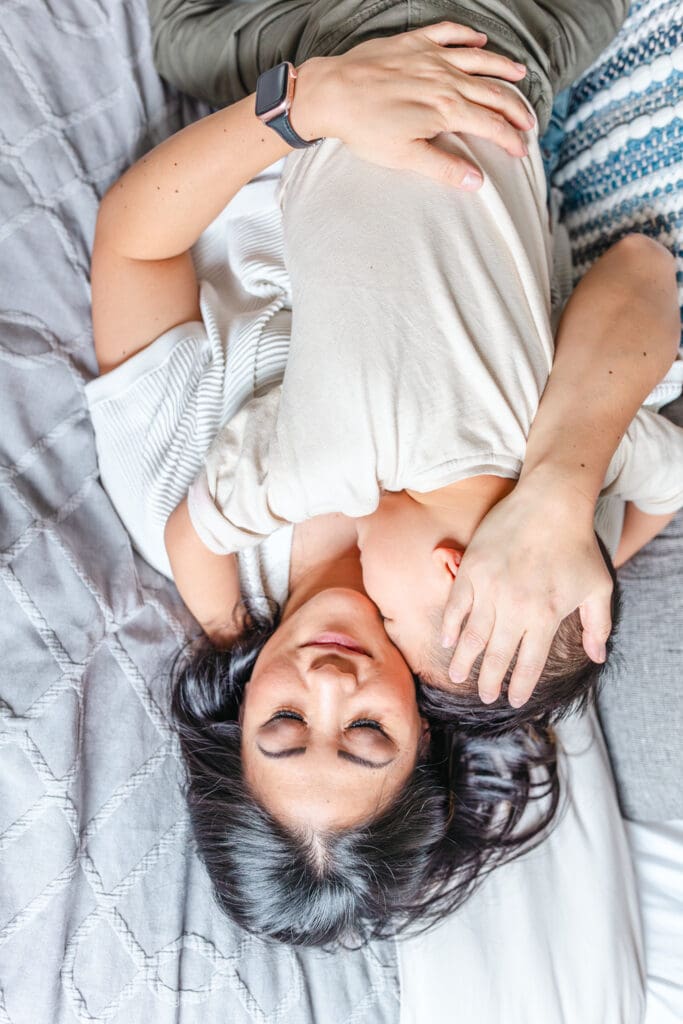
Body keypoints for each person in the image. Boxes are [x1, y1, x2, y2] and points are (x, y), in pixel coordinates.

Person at [87, 16, 680, 942]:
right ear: (424, 743)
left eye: (283, 723)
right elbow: (644, 278)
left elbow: (133, 246)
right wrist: (558, 487)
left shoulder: (192, 513)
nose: (326, 682)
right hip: (496, 44)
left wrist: (308, 103)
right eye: (366, 735)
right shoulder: (516, 597)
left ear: (239, 717)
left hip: (272, 39)